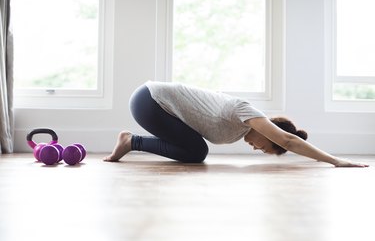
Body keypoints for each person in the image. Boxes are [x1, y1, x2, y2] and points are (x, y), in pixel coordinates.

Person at [104, 81, 369, 167]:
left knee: (195, 151)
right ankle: (131, 141)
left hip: (155, 105)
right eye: (265, 148)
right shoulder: (247, 113)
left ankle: (132, 141)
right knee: (197, 152)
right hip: (149, 101)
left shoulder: (239, 128)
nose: (256, 149)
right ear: (272, 135)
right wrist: (336, 161)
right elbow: (289, 140)